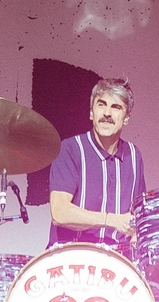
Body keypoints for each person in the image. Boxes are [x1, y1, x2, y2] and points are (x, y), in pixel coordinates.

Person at [48, 77, 153, 247]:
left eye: (116, 107)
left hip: (117, 260)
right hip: (72, 256)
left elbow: (138, 217)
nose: (107, 114)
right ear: (91, 112)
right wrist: (110, 220)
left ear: (126, 118)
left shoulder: (133, 155)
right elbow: (59, 213)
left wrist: (136, 235)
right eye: (101, 104)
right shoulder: (71, 149)